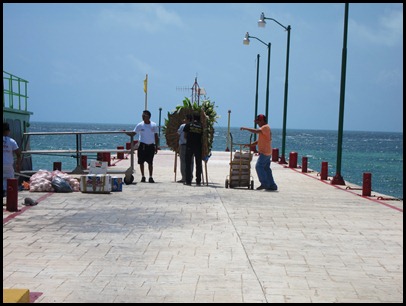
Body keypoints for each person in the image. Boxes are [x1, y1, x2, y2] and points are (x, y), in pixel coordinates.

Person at [240, 114, 278, 191]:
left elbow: (256, 131)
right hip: (267, 152)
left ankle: (264, 184)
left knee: (259, 166)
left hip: (265, 152)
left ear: (262, 121)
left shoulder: (265, 127)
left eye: (258, 121)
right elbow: (258, 141)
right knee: (266, 169)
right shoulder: (264, 129)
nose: (257, 123)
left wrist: (245, 128)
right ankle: (272, 185)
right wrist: (250, 145)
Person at [133, 110, 159, 183]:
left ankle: (150, 177)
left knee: (150, 162)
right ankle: (143, 176)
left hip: (151, 146)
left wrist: (156, 146)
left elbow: (156, 136)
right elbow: (134, 133)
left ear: (149, 116)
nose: (143, 116)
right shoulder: (140, 125)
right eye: (142, 115)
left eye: (145, 115)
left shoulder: (153, 125)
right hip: (142, 145)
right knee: (141, 162)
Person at [183, 114, 203, 186]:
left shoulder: (188, 125)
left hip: (189, 146)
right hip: (198, 147)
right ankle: (198, 181)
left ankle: (188, 181)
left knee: (188, 164)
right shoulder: (201, 126)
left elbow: (185, 136)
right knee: (198, 164)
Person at [3, 122, 21, 197]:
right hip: (8, 164)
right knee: (10, 181)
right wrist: (18, 164)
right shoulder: (11, 141)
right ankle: (9, 196)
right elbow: (18, 153)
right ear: (7, 131)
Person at [177, 114, 194, 183]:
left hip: (184, 145)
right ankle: (190, 176)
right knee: (191, 162)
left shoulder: (183, 126)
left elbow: (178, 133)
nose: (184, 120)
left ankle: (184, 177)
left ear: (188, 120)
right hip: (192, 146)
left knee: (183, 161)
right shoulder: (193, 126)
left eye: (185, 118)